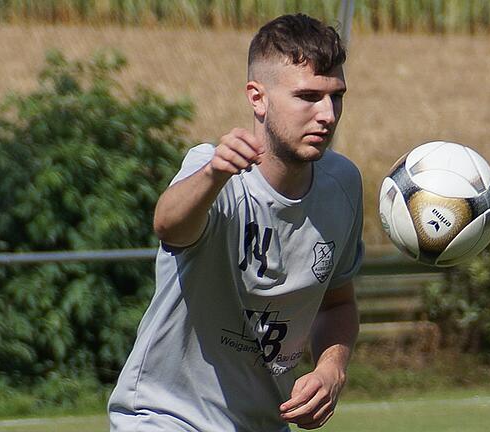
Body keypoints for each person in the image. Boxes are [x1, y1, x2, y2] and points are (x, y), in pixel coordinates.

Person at [108, 14, 363, 431]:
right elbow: (169, 226)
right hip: (164, 417)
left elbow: (338, 303)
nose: (327, 115)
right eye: (307, 96)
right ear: (257, 98)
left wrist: (331, 368)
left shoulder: (344, 185)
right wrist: (213, 175)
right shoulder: (215, 171)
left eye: (336, 97)